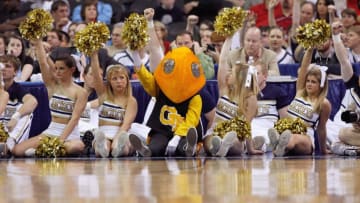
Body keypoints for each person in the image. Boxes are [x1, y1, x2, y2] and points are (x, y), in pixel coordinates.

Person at [11, 38, 87, 157]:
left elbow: (74, 119)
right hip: (50, 132)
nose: (57, 72)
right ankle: (50, 150)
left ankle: (46, 150)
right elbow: (42, 63)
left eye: (61, 68)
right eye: (56, 68)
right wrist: (38, 41)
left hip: (69, 134)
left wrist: (60, 141)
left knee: (77, 146)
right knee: (17, 150)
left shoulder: (80, 92)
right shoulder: (53, 87)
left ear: (72, 70)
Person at [128, 47, 205, 157]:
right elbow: (146, 80)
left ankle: (190, 148)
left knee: (182, 147)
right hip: (163, 130)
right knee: (156, 147)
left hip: (184, 132)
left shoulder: (195, 96)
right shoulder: (161, 87)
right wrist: (135, 54)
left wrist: (177, 137)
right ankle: (146, 151)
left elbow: (191, 121)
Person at [203, 35, 263, 157]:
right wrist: (228, 39)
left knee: (235, 141)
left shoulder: (250, 98)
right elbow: (223, 61)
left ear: (240, 78)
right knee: (209, 140)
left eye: (232, 73)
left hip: (235, 136)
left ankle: (224, 145)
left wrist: (250, 149)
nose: (228, 74)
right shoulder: (224, 89)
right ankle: (219, 146)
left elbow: (247, 125)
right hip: (216, 132)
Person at [269, 47, 332, 156]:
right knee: (287, 135)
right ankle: (281, 146)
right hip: (287, 130)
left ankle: (280, 145)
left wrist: (323, 150)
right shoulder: (300, 92)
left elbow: (321, 128)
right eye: (308, 81)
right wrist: (310, 49)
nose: (309, 84)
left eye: (313, 82)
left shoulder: (324, 103)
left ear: (321, 85)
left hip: (305, 138)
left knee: (294, 137)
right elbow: (304, 68)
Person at [89, 50, 138, 158]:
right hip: (103, 132)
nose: (118, 81)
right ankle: (102, 147)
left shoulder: (131, 101)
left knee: (120, 147)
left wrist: (117, 139)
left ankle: (119, 148)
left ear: (127, 80)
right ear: (109, 82)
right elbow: (96, 75)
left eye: (121, 78)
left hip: (121, 133)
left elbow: (126, 125)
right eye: (114, 79)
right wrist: (93, 54)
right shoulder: (103, 95)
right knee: (102, 147)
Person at [330, 21, 360, 154]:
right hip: (356, 132)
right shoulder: (353, 83)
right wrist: (336, 37)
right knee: (342, 133)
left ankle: (346, 149)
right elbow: (344, 60)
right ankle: (349, 149)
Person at [0, 55, 38, 155]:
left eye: (7, 66)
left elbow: (32, 101)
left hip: (12, 130)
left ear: (15, 72)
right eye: (1, 65)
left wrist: (16, 117)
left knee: (26, 110)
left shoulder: (17, 88)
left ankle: (9, 145)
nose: (3, 69)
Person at [251, 62, 290, 152]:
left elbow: (285, 118)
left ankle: (267, 143)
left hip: (268, 125)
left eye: (257, 73)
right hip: (252, 124)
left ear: (265, 76)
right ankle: (258, 144)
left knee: (267, 135)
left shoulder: (277, 92)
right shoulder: (244, 93)